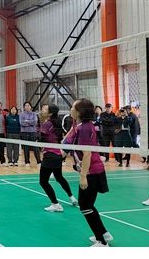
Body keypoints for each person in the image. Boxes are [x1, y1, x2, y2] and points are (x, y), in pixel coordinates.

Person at [62, 98, 112, 247]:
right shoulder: (78, 125)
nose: (70, 109)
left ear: (80, 112)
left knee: (85, 206)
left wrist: (83, 176)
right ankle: (104, 234)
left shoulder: (85, 128)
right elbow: (66, 143)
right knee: (88, 204)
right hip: (91, 170)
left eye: (73, 107)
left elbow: (87, 154)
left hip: (92, 172)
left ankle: (102, 242)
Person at [39, 104, 78, 212]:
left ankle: (55, 204)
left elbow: (41, 138)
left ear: (50, 113)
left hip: (50, 155)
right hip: (57, 155)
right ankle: (72, 197)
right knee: (59, 177)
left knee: (43, 182)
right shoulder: (56, 123)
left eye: (45, 109)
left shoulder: (47, 124)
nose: (43, 110)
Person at [20, 101, 41, 166]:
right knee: (26, 147)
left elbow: (35, 123)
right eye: (26, 105)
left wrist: (27, 121)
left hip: (33, 132)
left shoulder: (34, 114)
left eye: (28, 105)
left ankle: (39, 161)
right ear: (24, 107)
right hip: (24, 132)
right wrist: (30, 122)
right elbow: (22, 123)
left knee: (35, 147)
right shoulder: (21, 114)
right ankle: (27, 162)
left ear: (30, 107)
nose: (27, 106)